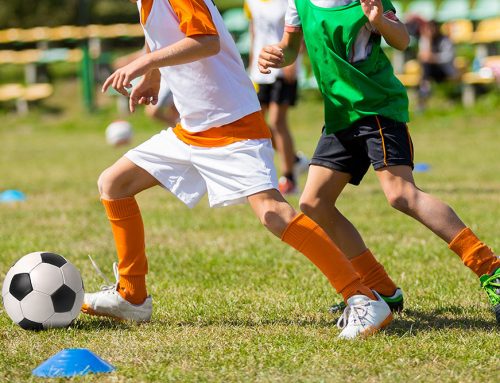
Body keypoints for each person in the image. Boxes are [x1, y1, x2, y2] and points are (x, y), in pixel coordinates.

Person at [81, 0, 394, 339]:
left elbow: (206, 40)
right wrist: (154, 74)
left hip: (233, 124)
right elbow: (159, 33)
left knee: (273, 214)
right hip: (192, 128)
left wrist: (144, 63)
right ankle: (132, 296)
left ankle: (363, 298)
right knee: (114, 183)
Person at [258, 0, 500, 323]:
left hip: (376, 108)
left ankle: (490, 268)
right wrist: (276, 54)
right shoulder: (297, 2)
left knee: (401, 194)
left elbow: (402, 39)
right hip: (341, 117)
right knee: (314, 202)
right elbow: (290, 49)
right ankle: (381, 289)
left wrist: (380, 21)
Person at [244, 0, 309, 195]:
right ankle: (295, 161)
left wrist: (292, 59)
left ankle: (289, 178)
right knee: (257, 123)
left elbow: (300, 30)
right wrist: (251, 63)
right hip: (259, 69)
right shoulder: (250, 2)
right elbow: (254, 29)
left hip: (282, 67)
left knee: (277, 121)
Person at [113, 48, 179, 126]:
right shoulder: (152, 40)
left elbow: (147, 57)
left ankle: (179, 127)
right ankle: (178, 127)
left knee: (153, 111)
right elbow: (145, 54)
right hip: (166, 76)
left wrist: (127, 61)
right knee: (173, 110)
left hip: (172, 75)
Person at [417, 20, 457, 110]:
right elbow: (423, 56)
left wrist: (433, 58)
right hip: (431, 70)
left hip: (444, 70)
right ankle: (424, 90)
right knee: (426, 65)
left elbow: (448, 57)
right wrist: (429, 40)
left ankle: (424, 91)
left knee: (426, 66)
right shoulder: (425, 39)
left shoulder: (445, 40)